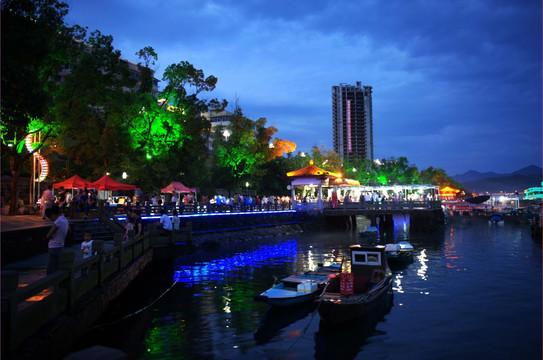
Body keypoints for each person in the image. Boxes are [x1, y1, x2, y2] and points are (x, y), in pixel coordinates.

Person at [45, 204, 69, 274]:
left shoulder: (57, 222)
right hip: (61, 245)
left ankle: (52, 284)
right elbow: (69, 230)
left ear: (53, 215)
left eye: (50, 218)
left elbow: (48, 235)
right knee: (58, 267)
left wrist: (50, 236)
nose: (50, 220)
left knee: (51, 269)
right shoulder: (65, 219)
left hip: (54, 246)